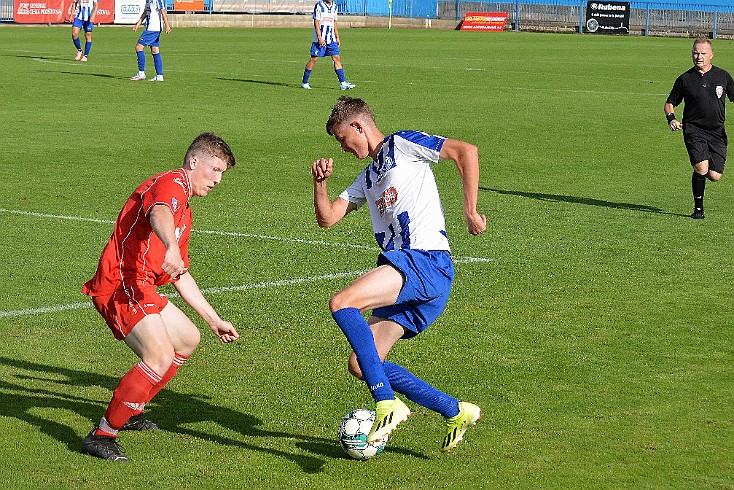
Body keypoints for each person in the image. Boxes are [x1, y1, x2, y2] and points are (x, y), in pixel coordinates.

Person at [311, 96, 487, 452]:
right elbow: (328, 218)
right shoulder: (367, 178)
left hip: (425, 261)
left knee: (343, 302)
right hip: (415, 276)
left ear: (359, 126)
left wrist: (470, 210)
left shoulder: (402, 143)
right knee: (362, 363)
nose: (343, 148)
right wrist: (320, 183)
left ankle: (386, 404)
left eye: (343, 138)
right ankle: (456, 411)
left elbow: (465, 151)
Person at [80, 133, 239, 462]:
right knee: (159, 356)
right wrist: (169, 245)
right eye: (215, 170)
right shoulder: (172, 184)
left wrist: (214, 320)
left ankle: (131, 408)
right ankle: (102, 434)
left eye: (222, 173)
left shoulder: (187, 211)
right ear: (194, 163)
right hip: (121, 281)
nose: (218, 180)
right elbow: (159, 212)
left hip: (141, 286)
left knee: (187, 339)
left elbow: (180, 273)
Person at [665, 36, 734, 219]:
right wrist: (671, 118)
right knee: (702, 168)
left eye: (703, 53)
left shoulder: (723, 76)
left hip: (717, 133)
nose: (699, 56)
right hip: (694, 130)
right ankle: (698, 210)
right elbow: (670, 103)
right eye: (696, 53)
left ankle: (702, 163)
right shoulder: (685, 79)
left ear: (711, 54)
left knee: (715, 176)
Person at [300, 0, 355, 91]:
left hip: (331, 39)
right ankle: (304, 82)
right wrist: (320, 38)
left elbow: (334, 22)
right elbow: (316, 22)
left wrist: (337, 36)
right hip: (320, 39)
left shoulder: (334, 6)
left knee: (336, 58)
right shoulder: (319, 5)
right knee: (314, 59)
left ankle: (343, 83)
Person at [130, 0, 171, 82]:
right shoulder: (148, 1)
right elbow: (145, 12)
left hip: (153, 29)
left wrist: (167, 25)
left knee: (138, 47)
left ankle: (141, 73)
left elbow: (163, 10)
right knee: (155, 50)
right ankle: (159, 76)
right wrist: (138, 24)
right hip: (152, 28)